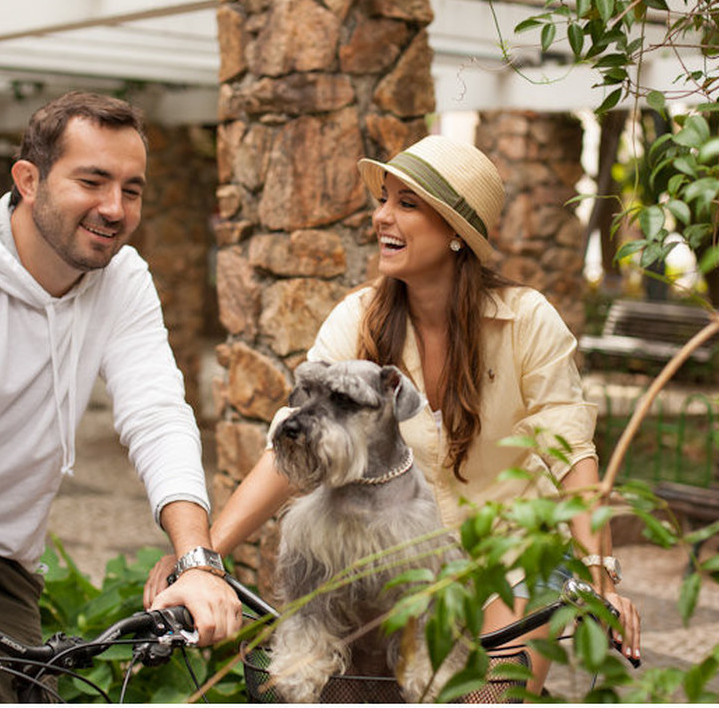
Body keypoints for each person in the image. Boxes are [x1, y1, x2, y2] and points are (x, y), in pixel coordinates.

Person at [145, 135, 640, 691]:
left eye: (407, 204)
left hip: (512, 559)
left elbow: (572, 454)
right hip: (393, 576)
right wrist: (202, 557)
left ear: (457, 232)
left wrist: (603, 577)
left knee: (481, 702)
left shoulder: (528, 321)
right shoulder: (355, 319)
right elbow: (290, 447)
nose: (382, 215)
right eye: (384, 199)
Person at [0, 91, 242, 702]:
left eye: (131, 189)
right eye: (92, 181)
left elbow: (159, 415)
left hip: (1, 565)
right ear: (28, 180)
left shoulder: (125, 281)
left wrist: (197, 559)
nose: (114, 207)